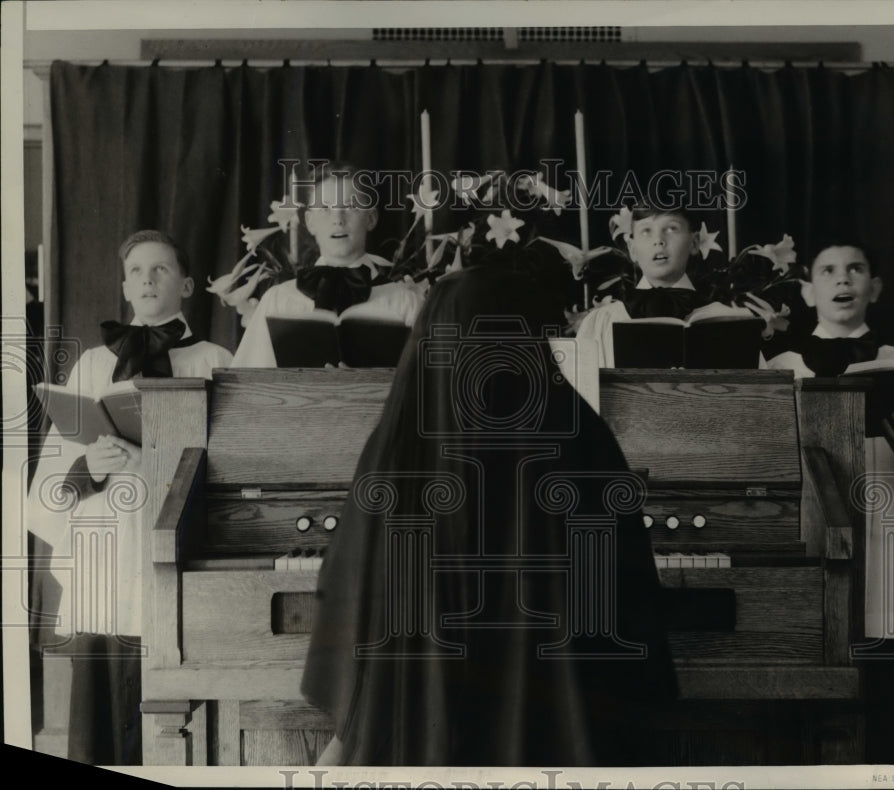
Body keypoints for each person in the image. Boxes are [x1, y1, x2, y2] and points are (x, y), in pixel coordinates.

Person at [301, 265, 678, 766]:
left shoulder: (399, 447)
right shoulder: (585, 438)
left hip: (424, 737)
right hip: (563, 738)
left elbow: (353, 598)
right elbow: (629, 604)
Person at [28, 230, 232, 764]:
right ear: (123, 286)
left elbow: (236, 464)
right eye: (137, 271)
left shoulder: (215, 360)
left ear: (186, 285)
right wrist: (89, 467)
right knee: (99, 719)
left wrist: (155, 464)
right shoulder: (94, 365)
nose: (147, 279)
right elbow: (53, 473)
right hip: (107, 553)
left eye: (161, 269)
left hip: (176, 544)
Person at [767, 240, 894, 761]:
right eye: (828, 270)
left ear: (874, 287)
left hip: (892, 535)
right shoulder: (779, 367)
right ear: (807, 290)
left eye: (856, 269)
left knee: (892, 696)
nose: (843, 279)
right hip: (810, 528)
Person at [232, 163, 424, 367]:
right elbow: (248, 381)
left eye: (351, 207)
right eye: (325, 208)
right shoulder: (278, 302)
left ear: (371, 218)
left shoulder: (406, 303)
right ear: (310, 222)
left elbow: (428, 381)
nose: (338, 220)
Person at [574, 204, 711, 367]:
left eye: (671, 229)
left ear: (694, 243)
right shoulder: (600, 323)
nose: (658, 241)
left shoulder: (722, 318)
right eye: (646, 231)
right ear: (632, 248)